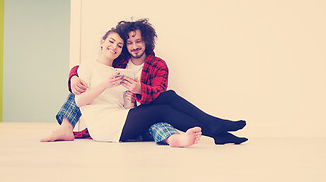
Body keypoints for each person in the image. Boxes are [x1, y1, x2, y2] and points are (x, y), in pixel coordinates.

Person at [43, 19, 247, 145]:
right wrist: (74, 76)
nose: (132, 46)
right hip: (118, 121)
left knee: (167, 99)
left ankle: (213, 129)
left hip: (136, 112)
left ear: (146, 42)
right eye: (127, 43)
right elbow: (88, 74)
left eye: (137, 41)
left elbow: (155, 94)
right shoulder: (118, 62)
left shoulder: (156, 64)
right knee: (164, 108)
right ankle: (214, 127)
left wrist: (136, 92)